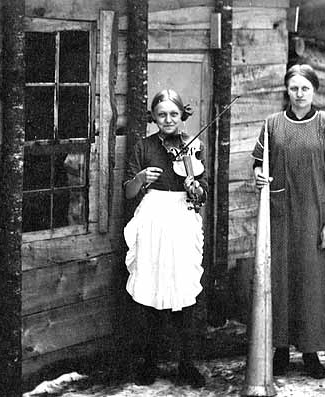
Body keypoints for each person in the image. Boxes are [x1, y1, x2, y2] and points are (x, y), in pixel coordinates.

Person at [252, 64, 325, 379]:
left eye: (305, 88)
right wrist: (258, 178)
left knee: (311, 283)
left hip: (314, 217)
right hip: (280, 217)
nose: (299, 94)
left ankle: (310, 353)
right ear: (286, 90)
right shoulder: (272, 125)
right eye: (293, 88)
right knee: (279, 281)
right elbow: (258, 165)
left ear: (314, 91)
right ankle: (279, 350)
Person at [123, 89, 207, 387]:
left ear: (182, 115)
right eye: (161, 115)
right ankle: (150, 362)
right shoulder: (143, 147)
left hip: (182, 218)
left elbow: (202, 194)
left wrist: (195, 187)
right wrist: (141, 178)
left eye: (173, 114)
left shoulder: (192, 146)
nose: (168, 120)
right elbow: (128, 191)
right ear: (153, 118)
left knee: (184, 288)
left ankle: (187, 364)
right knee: (153, 287)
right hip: (154, 218)